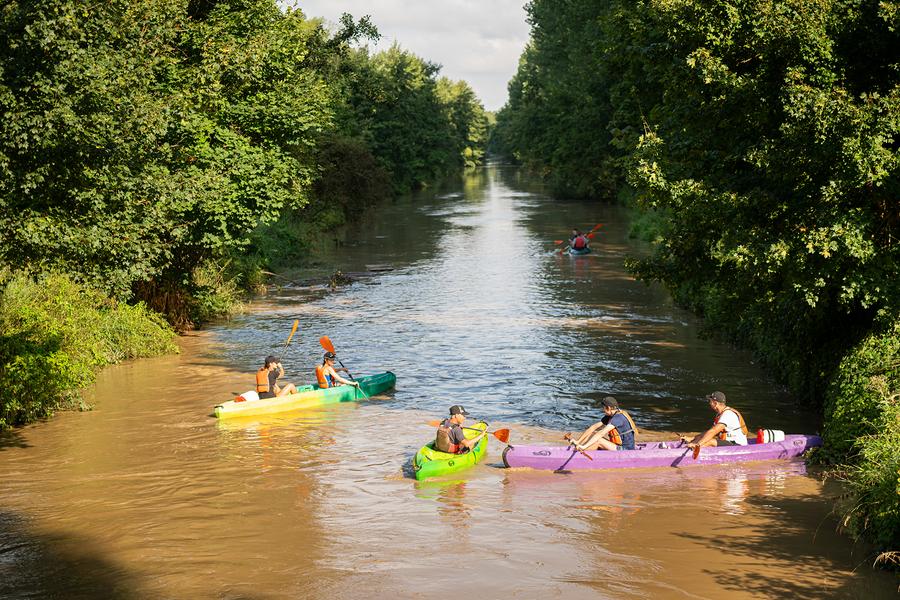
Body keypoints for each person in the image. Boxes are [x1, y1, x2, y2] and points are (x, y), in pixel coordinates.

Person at [567, 396, 637, 451]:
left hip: (626, 449)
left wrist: (584, 446)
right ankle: (581, 447)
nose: (603, 410)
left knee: (599, 440)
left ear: (608, 408)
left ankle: (581, 450)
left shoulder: (618, 418)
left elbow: (601, 433)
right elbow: (593, 427)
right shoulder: (611, 415)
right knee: (593, 433)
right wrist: (578, 441)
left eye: (603, 408)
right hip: (616, 445)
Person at [682, 391, 749, 448]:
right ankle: (688, 447)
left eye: (710, 401)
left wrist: (697, 444)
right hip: (728, 442)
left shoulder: (728, 414)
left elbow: (713, 431)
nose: (709, 403)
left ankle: (693, 449)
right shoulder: (720, 414)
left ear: (715, 403)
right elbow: (709, 432)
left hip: (738, 445)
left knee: (710, 441)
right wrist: (693, 438)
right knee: (705, 438)